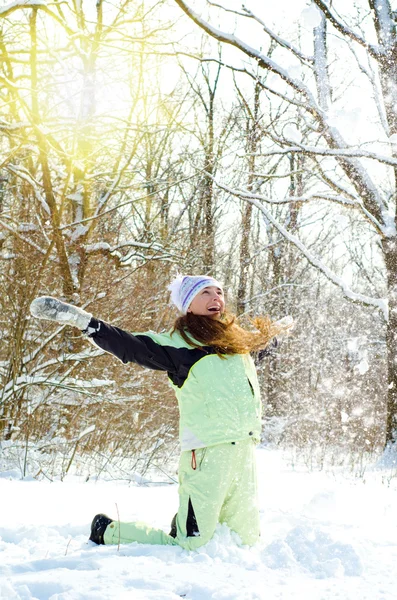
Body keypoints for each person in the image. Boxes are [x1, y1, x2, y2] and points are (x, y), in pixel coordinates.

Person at [30, 275, 292, 550]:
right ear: (189, 304)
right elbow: (131, 346)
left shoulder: (238, 345)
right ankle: (107, 531)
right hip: (205, 452)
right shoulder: (179, 346)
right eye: (205, 292)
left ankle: (189, 524)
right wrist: (84, 321)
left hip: (244, 452)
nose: (216, 297)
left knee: (246, 540)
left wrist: (275, 333)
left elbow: (257, 353)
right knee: (192, 543)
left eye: (219, 292)